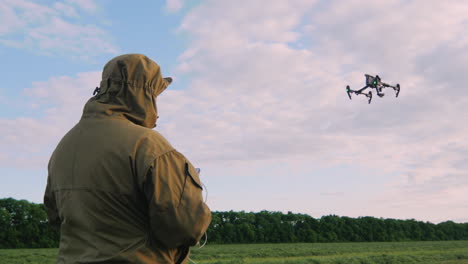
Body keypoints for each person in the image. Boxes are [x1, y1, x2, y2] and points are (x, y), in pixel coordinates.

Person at [43, 54, 211, 264]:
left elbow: (56, 217)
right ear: (146, 95)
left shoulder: (65, 145)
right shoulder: (150, 146)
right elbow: (183, 229)